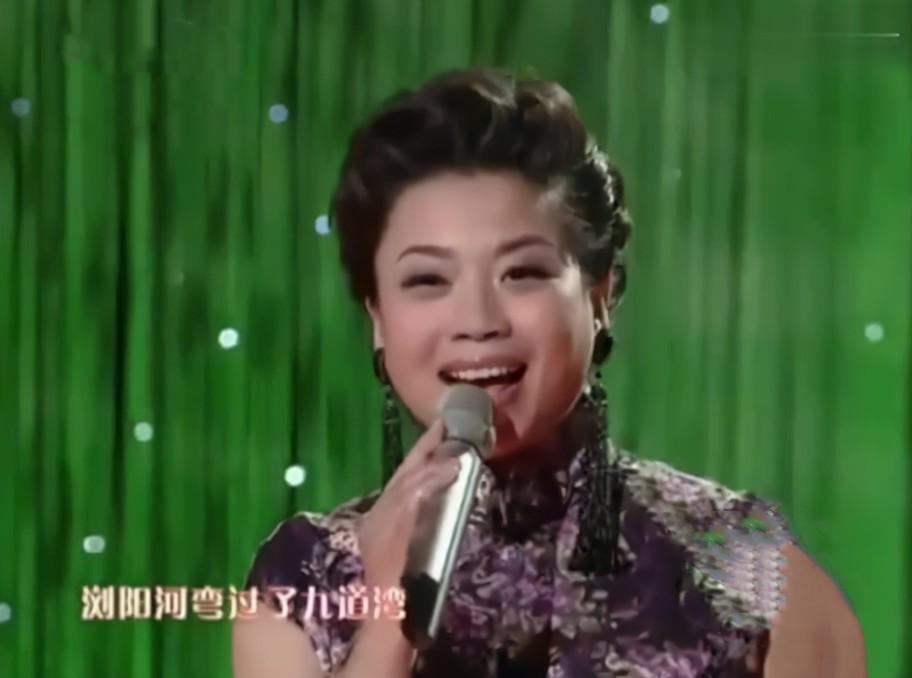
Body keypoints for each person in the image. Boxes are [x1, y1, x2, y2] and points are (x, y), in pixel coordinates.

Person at [232, 67, 865, 678]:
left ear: (601, 293)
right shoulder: (301, 583)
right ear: (377, 316)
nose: (477, 321)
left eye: (523, 272)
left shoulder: (747, 564)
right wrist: (389, 625)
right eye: (427, 280)